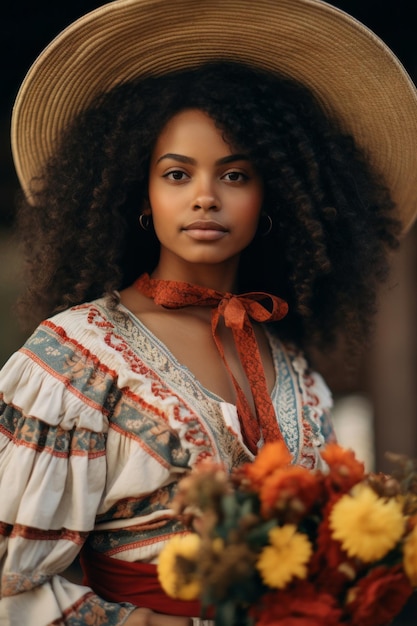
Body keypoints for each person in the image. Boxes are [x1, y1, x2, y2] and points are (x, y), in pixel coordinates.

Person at [1, 0, 416, 624]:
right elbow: (9, 582)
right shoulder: (73, 361)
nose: (204, 197)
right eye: (176, 174)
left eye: (235, 175)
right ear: (139, 191)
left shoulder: (295, 371)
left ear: (273, 196)